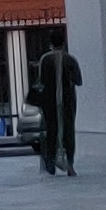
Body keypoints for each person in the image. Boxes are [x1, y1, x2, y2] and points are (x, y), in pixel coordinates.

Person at [35, 41, 83, 177]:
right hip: (67, 102)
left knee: (50, 131)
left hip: (49, 102)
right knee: (68, 131)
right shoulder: (70, 60)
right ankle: (70, 165)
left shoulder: (45, 59)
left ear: (51, 45)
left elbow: (40, 82)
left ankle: (50, 162)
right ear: (63, 45)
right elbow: (78, 81)